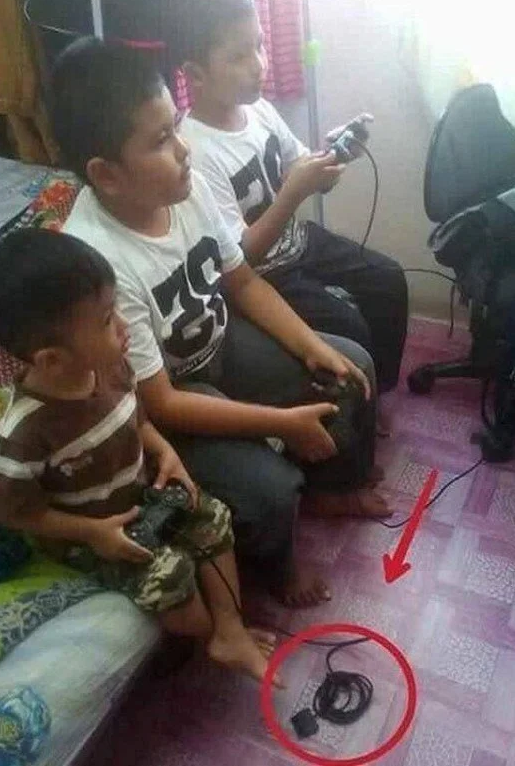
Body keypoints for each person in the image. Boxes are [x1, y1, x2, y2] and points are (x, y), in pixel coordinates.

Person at [53, 37, 390, 610]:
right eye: (161, 140)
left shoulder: (185, 186)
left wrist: (312, 347)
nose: (183, 149)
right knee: (270, 487)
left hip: (220, 339)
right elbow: (160, 403)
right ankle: (280, 570)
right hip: (178, 393)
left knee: (350, 364)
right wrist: (280, 421)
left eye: (174, 129)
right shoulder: (97, 265)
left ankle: (333, 491)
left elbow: (243, 283)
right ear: (106, 175)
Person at [0, 228, 279, 684]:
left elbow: (137, 421)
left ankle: (230, 633)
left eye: (115, 309)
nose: (122, 327)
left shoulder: (112, 365)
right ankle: (208, 633)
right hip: (88, 534)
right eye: (104, 321)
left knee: (211, 514)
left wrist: (166, 452)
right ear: (52, 360)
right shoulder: (25, 434)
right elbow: (12, 512)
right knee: (172, 576)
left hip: (138, 497)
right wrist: (92, 532)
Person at [169, 0, 408, 425]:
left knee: (388, 280)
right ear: (195, 74)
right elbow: (243, 258)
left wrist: (331, 157)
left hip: (298, 243)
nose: (259, 64)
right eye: (239, 56)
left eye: (259, 46)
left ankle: (376, 396)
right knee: (349, 327)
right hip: (263, 273)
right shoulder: (196, 153)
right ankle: (355, 411)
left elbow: (298, 163)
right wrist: (297, 190)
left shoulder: (257, 108)